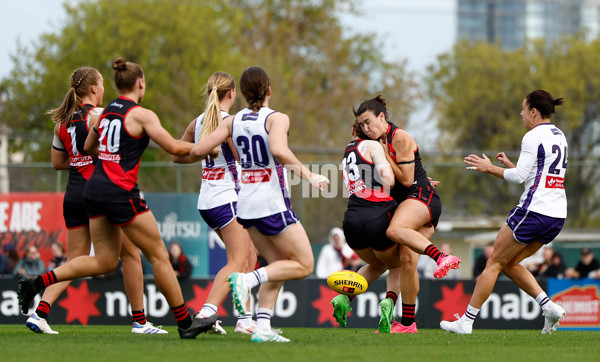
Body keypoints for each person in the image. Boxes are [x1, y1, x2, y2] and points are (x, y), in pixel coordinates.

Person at [17, 58, 217, 339]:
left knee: (104, 261)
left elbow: (77, 152)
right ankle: (180, 323)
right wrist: (206, 147)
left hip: (87, 192)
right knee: (157, 255)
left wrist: (105, 154)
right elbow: (173, 147)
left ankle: (38, 284)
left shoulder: (96, 114)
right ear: (140, 83)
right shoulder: (132, 114)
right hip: (116, 190)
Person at [190, 66, 329, 342]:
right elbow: (278, 149)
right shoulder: (277, 118)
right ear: (268, 91)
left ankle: (262, 328)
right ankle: (247, 281)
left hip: (245, 207)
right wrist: (310, 175)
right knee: (304, 264)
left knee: (276, 264)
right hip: (272, 204)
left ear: (241, 93)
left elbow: (196, 150)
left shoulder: (232, 121)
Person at [23, 66, 166, 335]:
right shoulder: (98, 114)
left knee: (74, 261)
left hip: (73, 195)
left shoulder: (61, 123)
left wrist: (79, 160)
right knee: (130, 254)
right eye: (101, 85)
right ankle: (140, 322)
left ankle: (39, 313)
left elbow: (57, 163)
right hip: (100, 194)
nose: (103, 90)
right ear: (93, 89)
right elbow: (112, 143)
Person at [441, 89, 568, 335]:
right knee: (510, 264)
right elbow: (537, 174)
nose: (521, 113)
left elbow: (520, 177)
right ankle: (548, 306)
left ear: (534, 111)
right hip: (556, 215)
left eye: (523, 108)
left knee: (494, 263)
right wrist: (511, 165)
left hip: (534, 211)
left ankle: (466, 322)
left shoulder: (533, 136)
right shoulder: (559, 134)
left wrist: (490, 169)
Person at [353, 95, 461, 333]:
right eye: (362, 125)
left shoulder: (398, 137)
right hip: (404, 203)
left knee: (395, 231)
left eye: (369, 122)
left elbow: (407, 179)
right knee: (404, 260)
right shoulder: (372, 143)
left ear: (382, 117)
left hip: (423, 199)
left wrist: (384, 155)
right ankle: (407, 323)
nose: (366, 128)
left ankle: (441, 257)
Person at [173, 72, 257, 335]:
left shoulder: (197, 122)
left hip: (208, 200)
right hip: (227, 198)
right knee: (238, 260)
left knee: (250, 256)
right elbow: (245, 159)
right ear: (232, 93)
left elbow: (178, 155)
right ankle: (206, 313)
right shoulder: (230, 122)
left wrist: (202, 156)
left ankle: (244, 319)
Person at [330, 122, 407, 333]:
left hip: (352, 223)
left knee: (378, 265)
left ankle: (345, 298)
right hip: (377, 217)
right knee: (398, 265)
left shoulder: (347, 153)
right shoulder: (372, 147)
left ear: (352, 131)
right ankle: (389, 303)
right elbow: (389, 180)